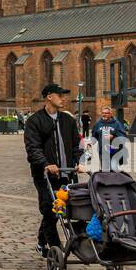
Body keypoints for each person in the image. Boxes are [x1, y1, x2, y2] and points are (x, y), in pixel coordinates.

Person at [24, 83, 83, 258]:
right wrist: (45, 164)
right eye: (60, 95)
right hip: (44, 175)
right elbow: (32, 148)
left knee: (66, 209)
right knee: (50, 210)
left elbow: (76, 145)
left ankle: (42, 242)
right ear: (49, 97)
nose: (64, 98)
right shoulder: (35, 121)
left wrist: (79, 161)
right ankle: (56, 249)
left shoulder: (68, 120)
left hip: (68, 173)